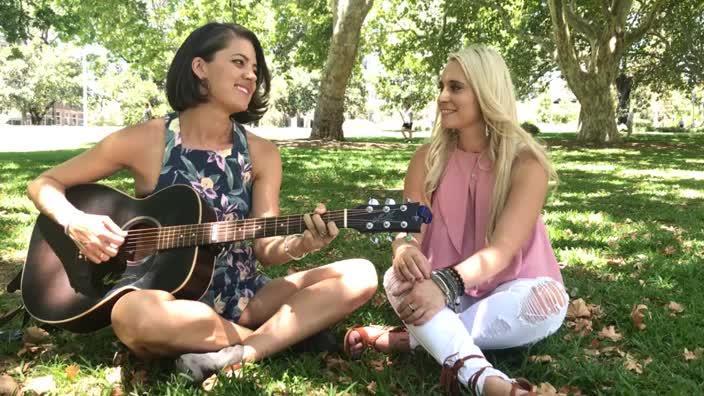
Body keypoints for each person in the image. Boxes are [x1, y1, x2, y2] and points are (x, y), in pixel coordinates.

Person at [26, 22, 378, 382]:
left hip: (245, 297)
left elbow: (266, 249)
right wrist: (75, 221)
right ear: (200, 68)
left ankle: (244, 349)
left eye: (255, 69)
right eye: (239, 62)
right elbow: (44, 184)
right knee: (130, 316)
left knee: (359, 274)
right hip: (169, 303)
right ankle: (283, 337)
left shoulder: (262, 153)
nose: (251, 76)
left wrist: (302, 243)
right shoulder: (145, 141)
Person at [343, 45, 568, 395]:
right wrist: (404, 250)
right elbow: (409, 229)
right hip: (441, 290)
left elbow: (503, 250)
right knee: (396, 278)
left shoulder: (526, 164)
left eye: (456, 87)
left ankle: (418, 341)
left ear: (486, 93)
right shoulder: (426, 159)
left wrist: (444, 285)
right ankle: (485, 381)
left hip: (514, 288)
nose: (442, 97)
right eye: (441, 86)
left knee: (546, 302)